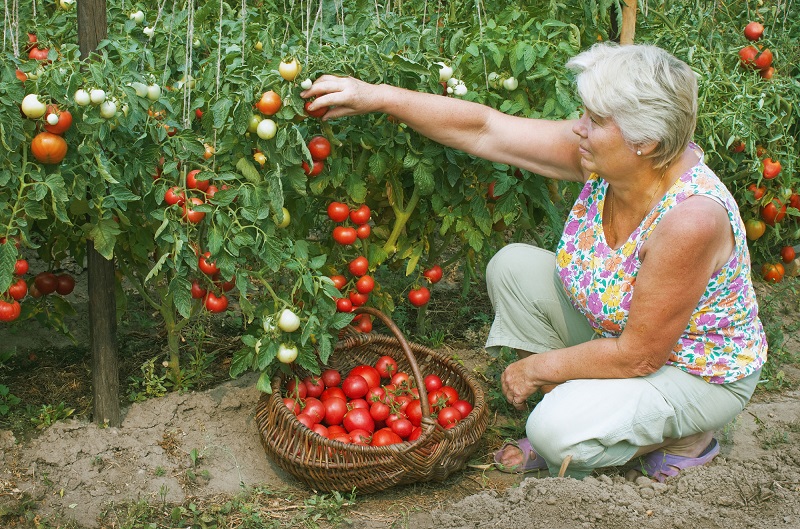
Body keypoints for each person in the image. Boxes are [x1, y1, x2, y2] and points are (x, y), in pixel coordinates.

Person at [301, 42, 767, 481]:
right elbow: (486, 129)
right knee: (514, 267)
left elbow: (639, 355)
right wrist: (378, 96)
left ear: (645, 140)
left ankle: (686, 437)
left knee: (553, 434)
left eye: (595, 120)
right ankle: (584, 410)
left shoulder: (691, 219)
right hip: (626, 339)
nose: (578, 127)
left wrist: (535, 368)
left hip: (694, 372)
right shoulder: (610, 159)